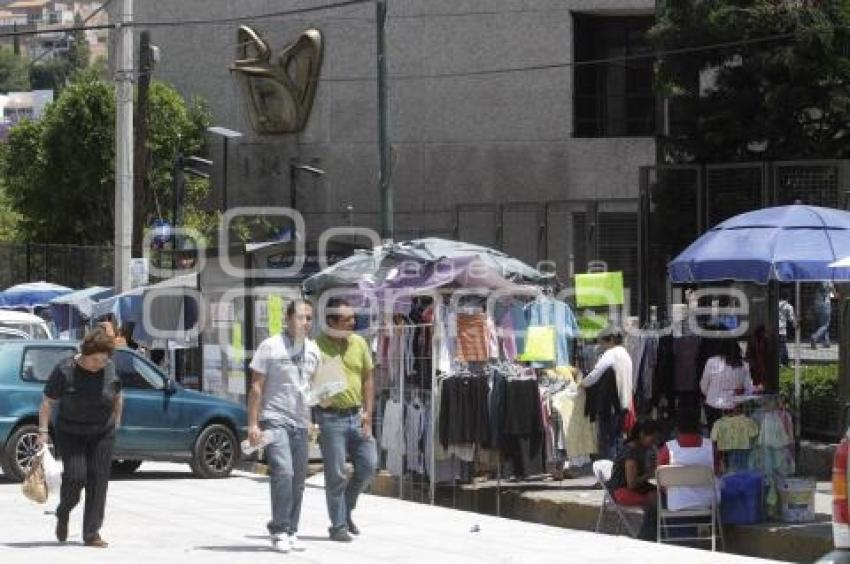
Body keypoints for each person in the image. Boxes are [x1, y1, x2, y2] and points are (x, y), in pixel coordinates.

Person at [37, 328, 122, 548]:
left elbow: (117, 394)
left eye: (103, 361)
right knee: (75, 477)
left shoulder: (109, 368)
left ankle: (92, 533)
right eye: (95, 360)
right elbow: (47, 402)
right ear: (84, 354)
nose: (99, 365)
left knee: (98, 481)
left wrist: (117, 421)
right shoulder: (65, 370)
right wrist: (43, 432)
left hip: (102, 431)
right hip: (71, 432)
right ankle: (63, 511)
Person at [248, 299, 320, 553]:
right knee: (284, 472)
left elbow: (316, 389)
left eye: (309, 318)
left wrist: (315, 419)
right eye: (300, 317)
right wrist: (253, 424)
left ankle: (291, 528)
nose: (305, 323)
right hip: (274, 418)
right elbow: (256, 386)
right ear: (287, 319)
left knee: (299, 479)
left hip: (301, 422)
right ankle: (279, 528)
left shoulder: (314, 350)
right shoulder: (270, 346)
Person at [315, 297, 377, 542]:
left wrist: (368, 415)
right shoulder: (315, 347)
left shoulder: (359, 343)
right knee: (336, 474)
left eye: (353, 317)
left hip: (357, 415)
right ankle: (338, 525)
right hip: (330, 419)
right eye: (347, 319)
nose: (353, 322)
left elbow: (368, 379)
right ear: (331, 322)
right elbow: (306, 383)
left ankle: (346, 508)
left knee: (369, 466)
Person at [581, 326, 633, 459]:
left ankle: (609, 472)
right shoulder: (626, 354)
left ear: (610, 340)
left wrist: (583, 383)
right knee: (618, 438)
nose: (601, 346)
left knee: (607, 441)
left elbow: (595, 374)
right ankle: (619, 470)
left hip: (610, 405)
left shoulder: (611, 354)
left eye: (602, 342)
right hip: (624, 403)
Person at [656, 409, 721, 511]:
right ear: (699, 427)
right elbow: (717, 472)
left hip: (676, 503)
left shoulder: (668, 449)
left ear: (677, 429)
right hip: (708, 503)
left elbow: (661, 480)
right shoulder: (710, 447)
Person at [606, 420, 659, 540]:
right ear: (641, 434)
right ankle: (647, 538)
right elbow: (631, 484)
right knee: (655, 501)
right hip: (621, 492)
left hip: (631, 487)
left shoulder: (641, 448)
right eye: (653, 438)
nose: (654, 442)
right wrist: (650, 473)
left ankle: (652, 535)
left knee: (661, 494)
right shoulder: (631, 452)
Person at [700, 338, 753, 431]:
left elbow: (704, 385)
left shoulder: (711, 361)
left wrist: (710, 395)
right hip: (734, 408)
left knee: (714, 437)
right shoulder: (744, 365)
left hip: (713, 405)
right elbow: (748, 388)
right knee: (733, 438)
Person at [810, 281, 835, 349]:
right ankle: (815, 337)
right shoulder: (829, 281)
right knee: (825, 325)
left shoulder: (818, 280)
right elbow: (833, 294)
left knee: (822, 324)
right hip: (825, 306)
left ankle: (827, 342)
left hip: (816, 305)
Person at [778, 295, 796, 366]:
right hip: (782, 329)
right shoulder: (789, 306)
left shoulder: (774, 304)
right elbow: (790, 318)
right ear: (788, 298)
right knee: (782, 346)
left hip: (773, 328)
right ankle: (784, 362)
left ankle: (779, 361)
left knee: (776, 346)